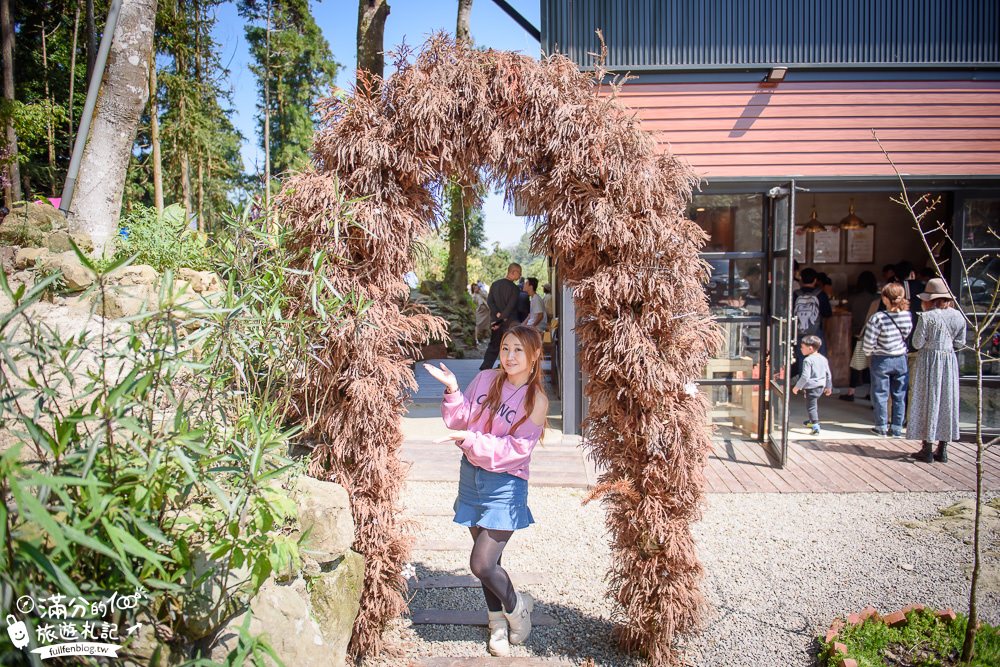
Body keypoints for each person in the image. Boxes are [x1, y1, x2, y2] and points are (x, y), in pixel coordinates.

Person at [423, 325, 547, 656]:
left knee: (481, 563)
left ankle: (517, 606)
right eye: (505, 348)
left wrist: (470, 439)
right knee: (492, 564)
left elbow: (516, 451)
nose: (510, 356)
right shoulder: (486, 379)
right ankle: (498, 626)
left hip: (505, 485)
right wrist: (452, 391)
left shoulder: (536, 400)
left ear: (534, 356)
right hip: (472, 478)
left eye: (519, 350)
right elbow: (461, 419)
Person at [907, 278, 966, 463]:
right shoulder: (958, 316)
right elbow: (960, 343)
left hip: (929, 361)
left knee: (927, 399)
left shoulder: (927, 317)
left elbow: (917, 343)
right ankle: (943, 448)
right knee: (946, 400)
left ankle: (927, 448)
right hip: (949, 360)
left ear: (930, 300)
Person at [862, 283, 913, 436]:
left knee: (880, 394)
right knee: (899, 395)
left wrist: (870, 352)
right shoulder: (907, 316)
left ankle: (881, 426)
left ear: (885, 299)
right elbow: (907, 334)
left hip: (882, 359)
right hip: (901, 358)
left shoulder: (878, 318)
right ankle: (897, 428)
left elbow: (868, 342)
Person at [840, 271, 879, 402]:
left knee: (857, 363)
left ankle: (851, 392)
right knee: (871, 364)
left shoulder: (853, 298)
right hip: (873, 335)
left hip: (859, 333)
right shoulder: (876, 299)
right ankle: (870, 392)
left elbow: (846, 310)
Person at [481, 264, 522, 371]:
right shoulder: (515, 289)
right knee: (509, 347)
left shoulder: (495, 284)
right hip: (509, 323)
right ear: (513, 272)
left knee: (494, 345)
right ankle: (506, 368)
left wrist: (497, 316)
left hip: (496, 322)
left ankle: (485, 368)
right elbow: (510, 306)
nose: (520, 275)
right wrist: (502, 318)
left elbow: (490, 302)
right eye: (519, 272)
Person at [792, 267, 833, 374]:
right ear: (815, 280)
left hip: (799, 331)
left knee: (802, 358)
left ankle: (803, 384)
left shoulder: (795, 294)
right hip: (816, 331)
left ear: (801, 280)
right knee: (819, 358)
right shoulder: (821, 294)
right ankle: (819, 384)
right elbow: (827, 313)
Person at [792, 334, 832, 435]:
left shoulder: (807, 360)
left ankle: (815, 425)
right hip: (820, 387)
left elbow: (805, 376)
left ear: (810, 348)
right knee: (813, 404)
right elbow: (828, 374)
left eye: (802, 347)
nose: (801, 349)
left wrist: (797, 387)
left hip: (812, 387)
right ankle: (811, 421)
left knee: (811, 407)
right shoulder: (823, 359)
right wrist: (828, 387)